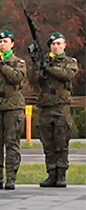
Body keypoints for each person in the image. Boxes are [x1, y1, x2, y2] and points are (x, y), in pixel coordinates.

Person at [29, 32, 78, 188]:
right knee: (48, 144)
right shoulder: (45, 61)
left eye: (58, 43)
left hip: (60, 107)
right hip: (45, 107)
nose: (55, 46)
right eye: (53, 44)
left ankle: (61, 174)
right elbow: (33, 79)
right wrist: (37, 63)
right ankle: (51, 173)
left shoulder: (69, 62)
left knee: (61, 142)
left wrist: (48, 68)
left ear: (64, 45)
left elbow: (66, 75)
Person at [0, 30, 27, 190]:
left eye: (5, 41)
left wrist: (1, 65)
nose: (2, 44)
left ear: (12, 44)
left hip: (12, 106)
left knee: (11, 143)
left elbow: (16, 77)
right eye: (0, 42)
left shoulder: (18, 62)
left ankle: (11, 177)